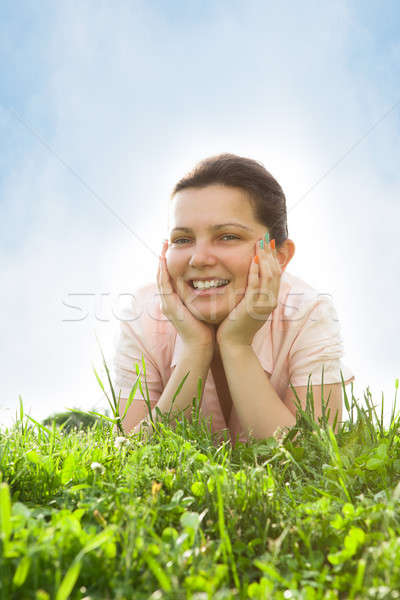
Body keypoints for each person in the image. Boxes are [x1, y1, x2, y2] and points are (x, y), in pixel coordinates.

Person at [112, 153, 355, 444]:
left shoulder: (309, 313)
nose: (199, 258)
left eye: (228, 236)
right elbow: (128, 456)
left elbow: (313, 459)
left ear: (279, 256)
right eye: (182, 239)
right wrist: (195, 348)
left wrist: (236, 345)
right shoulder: (142, 317)